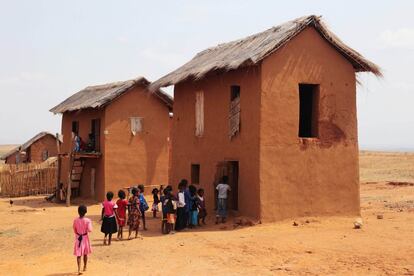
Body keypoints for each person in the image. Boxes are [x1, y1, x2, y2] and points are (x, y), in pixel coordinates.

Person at [73, 205, 92, 275]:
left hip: (78, 238)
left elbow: (74, 230)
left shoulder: (75, 220)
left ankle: (78, 269)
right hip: (85, 238)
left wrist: (78, 234)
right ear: (86, 212)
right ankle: (85, 266)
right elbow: (90, 230)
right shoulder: (88, 220)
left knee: (78, 254)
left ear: (78, 212)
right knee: (85, 254)